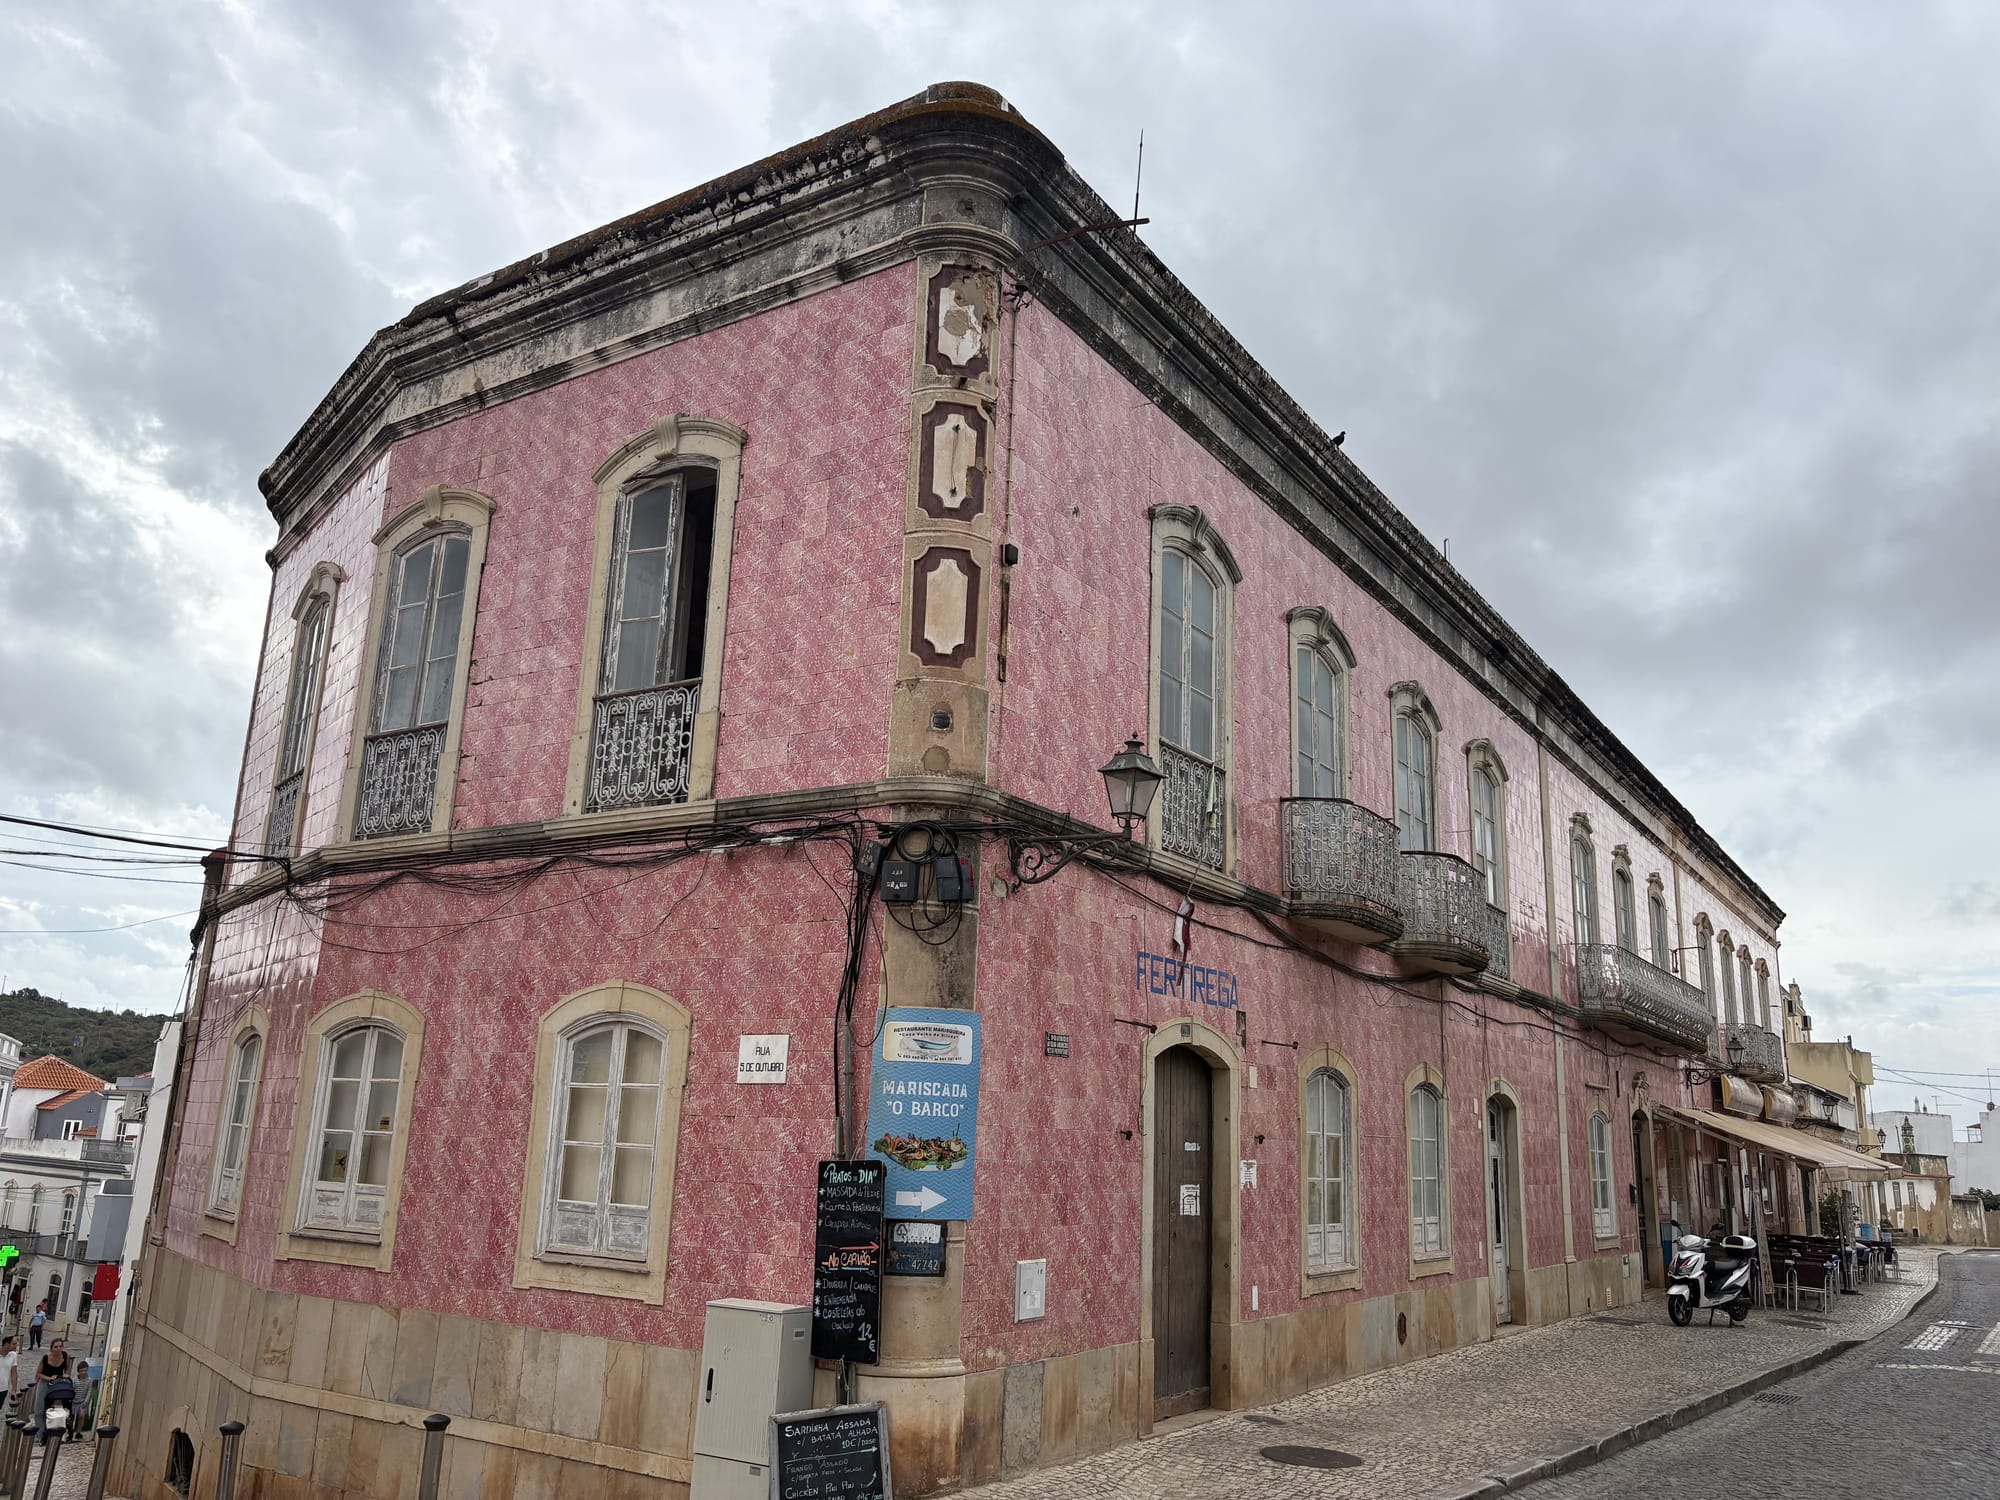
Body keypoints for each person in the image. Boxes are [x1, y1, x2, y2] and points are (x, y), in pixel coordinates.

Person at [30, 1338, 68, 1440]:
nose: (58, 1349)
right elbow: (38, 1373)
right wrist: (49, 1378)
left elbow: (67, 1369)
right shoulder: (46, 1358)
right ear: (51, 1348)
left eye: (60, 1346)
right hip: (45, 1382)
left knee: (57, 1409)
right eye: (56, 1347)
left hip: (58, 1384)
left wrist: (65, 1376)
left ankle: (55, 1432)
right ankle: (40, 1434)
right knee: (39, 1409)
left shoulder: (65, 1356)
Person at [0, 1336, 15, 1418]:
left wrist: (14, 1390)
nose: (16, 1346)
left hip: (3, 1389)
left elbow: (14, 1373)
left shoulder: (13, 1355)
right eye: (14, 1344)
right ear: (6, 1344)